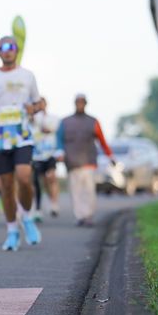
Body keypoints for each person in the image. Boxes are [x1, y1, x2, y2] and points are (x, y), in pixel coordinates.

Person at [0, 35, 43, 251]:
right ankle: (12, 230)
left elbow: (39, 102)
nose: (7, 50)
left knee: (24, 177)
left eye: (11, 46)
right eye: (3, 47)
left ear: (16, 50)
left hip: (22, 134)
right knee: (5, 186)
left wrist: (34, 108)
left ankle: (27, 216)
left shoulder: (27, 75)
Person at [57, 94, 114, 226]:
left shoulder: (93, 121)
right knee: (75, 191)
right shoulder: (65, 122)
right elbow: (59, 139)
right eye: (78, 102)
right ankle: (80, 216)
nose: (80, 105)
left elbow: (102, 141)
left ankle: (88, 215)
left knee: (88, 190)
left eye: (82, 102)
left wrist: (110, 155)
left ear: (85, 104)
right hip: (72, 162)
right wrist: (59, 152)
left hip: (88, 162)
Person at [31, 97, 61, 220]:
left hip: (50, 153)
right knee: (37, 182)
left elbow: (53, 131)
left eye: (42, 104)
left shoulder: (53, 118)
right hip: (36, 155)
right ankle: (37, 208)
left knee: (51, 177)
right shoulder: (32, 118)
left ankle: (54, 204)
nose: (40, 106)